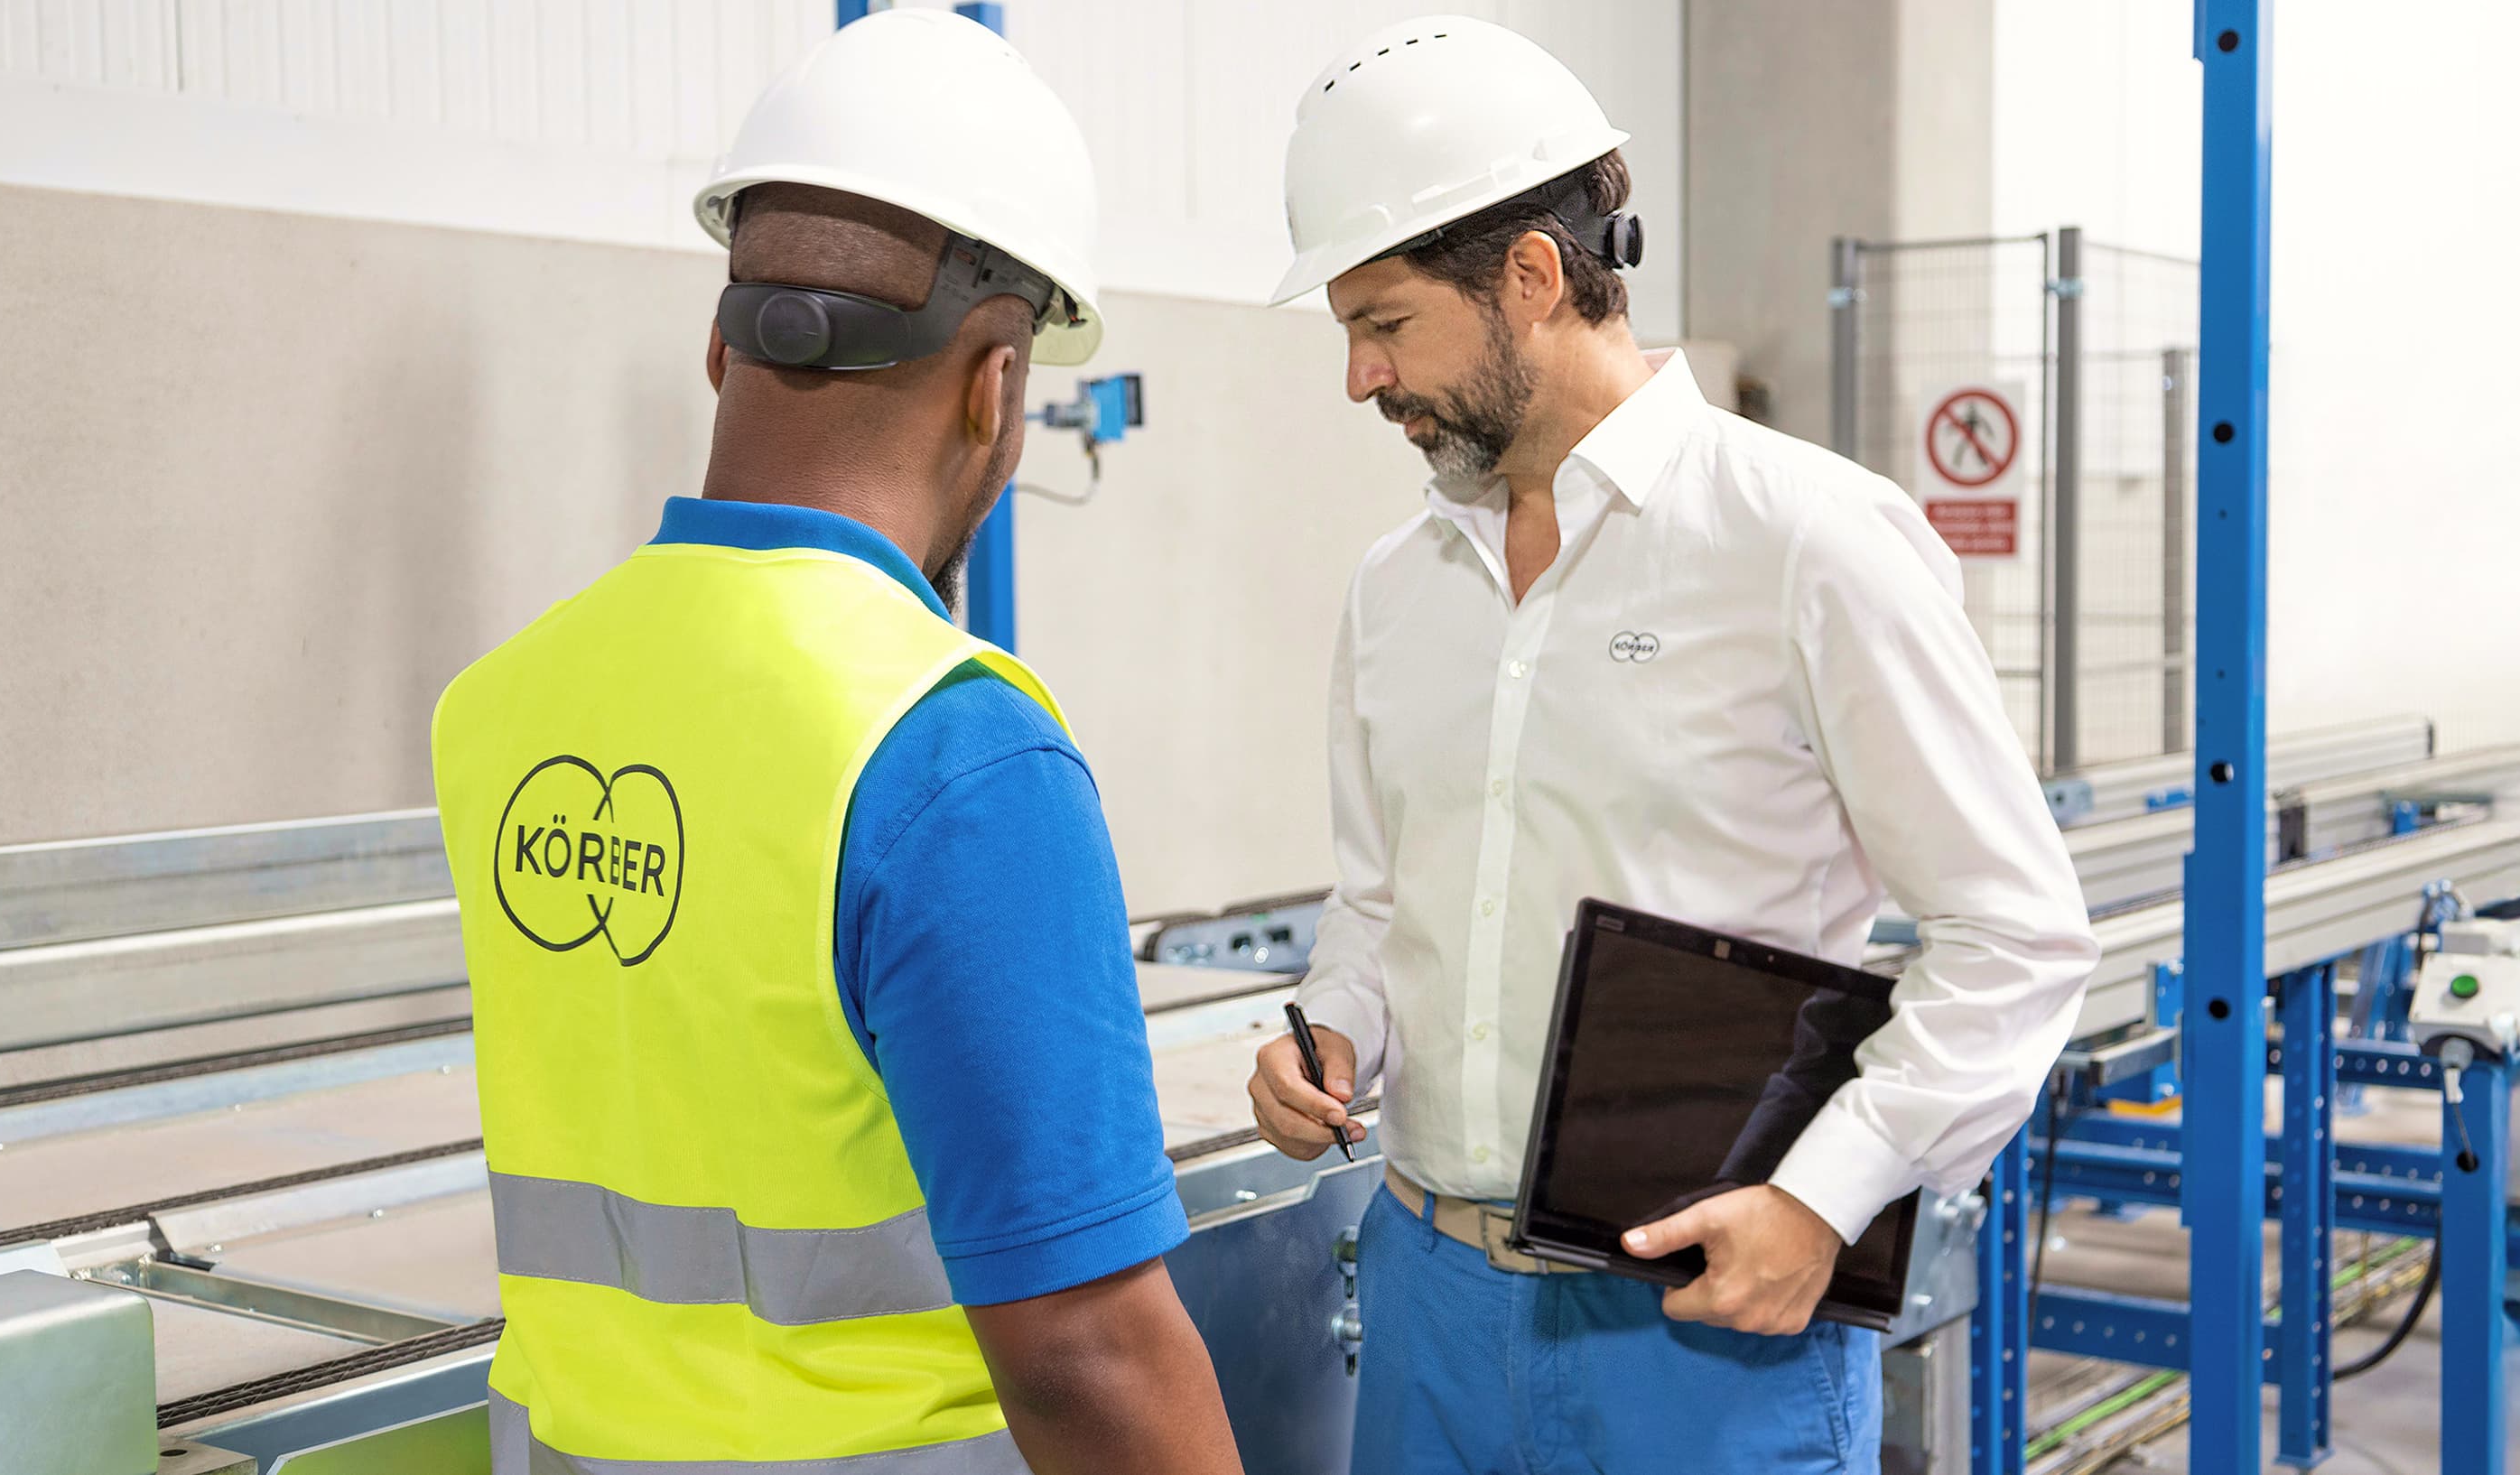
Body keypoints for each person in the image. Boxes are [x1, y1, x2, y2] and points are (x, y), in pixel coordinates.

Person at [1242, 16, 2100, 1473]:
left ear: (1529, 275)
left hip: (1699, 1328)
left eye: (1384, 324)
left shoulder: (1810, 542)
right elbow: (1385, 905)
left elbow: (2015, 933)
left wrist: (1824, 1196)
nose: (1360, 379)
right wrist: (1331, 1031)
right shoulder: (1397, 591)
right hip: (1425, 1301)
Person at [432, 14, 1241, 1474]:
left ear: (717, 343)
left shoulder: (500, 705)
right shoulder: (956, 758)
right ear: (999, 384)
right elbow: (1089, 1352)